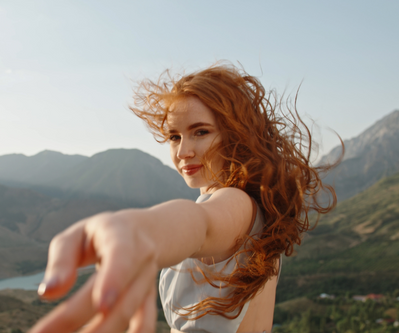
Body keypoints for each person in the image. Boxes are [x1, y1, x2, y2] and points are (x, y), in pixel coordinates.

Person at [29, 63, 337, 333]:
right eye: (174, 136)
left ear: (236, 135)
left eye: (200, 132)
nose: (182, 151)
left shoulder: (234, 202)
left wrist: (139, 231)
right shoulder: (257, 209)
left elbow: (199, 224)